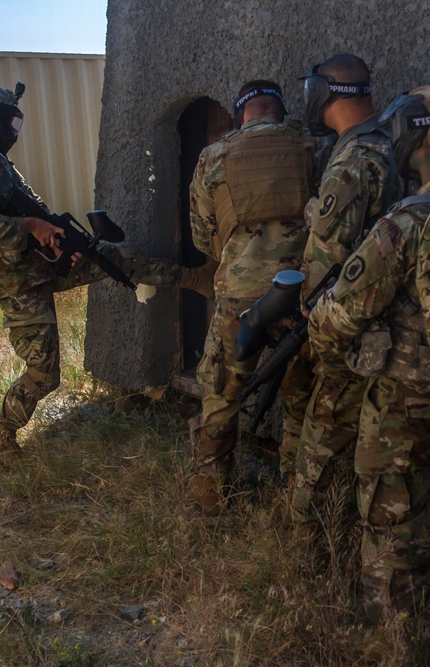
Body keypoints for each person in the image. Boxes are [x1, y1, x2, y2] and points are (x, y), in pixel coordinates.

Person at [0, 82, 209, 471]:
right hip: (14, 282)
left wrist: (58, 239)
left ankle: (194, 278)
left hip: (36, 263)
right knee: (44, 374)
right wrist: (34, 227)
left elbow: (33, 209)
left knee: (114, 257)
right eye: (4, 120)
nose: (10, 129)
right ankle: (0, 441)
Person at [308, 85, 430, 622]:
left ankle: (390, 633)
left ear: (409, 137)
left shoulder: (407, 221)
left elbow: (342, 313)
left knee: (391, 522)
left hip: (404, 402)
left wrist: (321, 341)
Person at [184, 80, 315, 511]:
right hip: (301, 297)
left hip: (239, 299)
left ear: (243, 113)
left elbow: (204, 236)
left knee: (222, 393)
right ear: (278, 110)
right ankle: (294, 497)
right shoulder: (309, 148)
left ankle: (210, 494)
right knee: (301, 397)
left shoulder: (212, 158)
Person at [289, 53, 402, 526]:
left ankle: (307, 552)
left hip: (348, 334)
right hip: (387, 330)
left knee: (320, 454)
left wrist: (312, 331)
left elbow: (323, 269)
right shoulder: (392, 145)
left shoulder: (353, 163)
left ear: (327, 93)